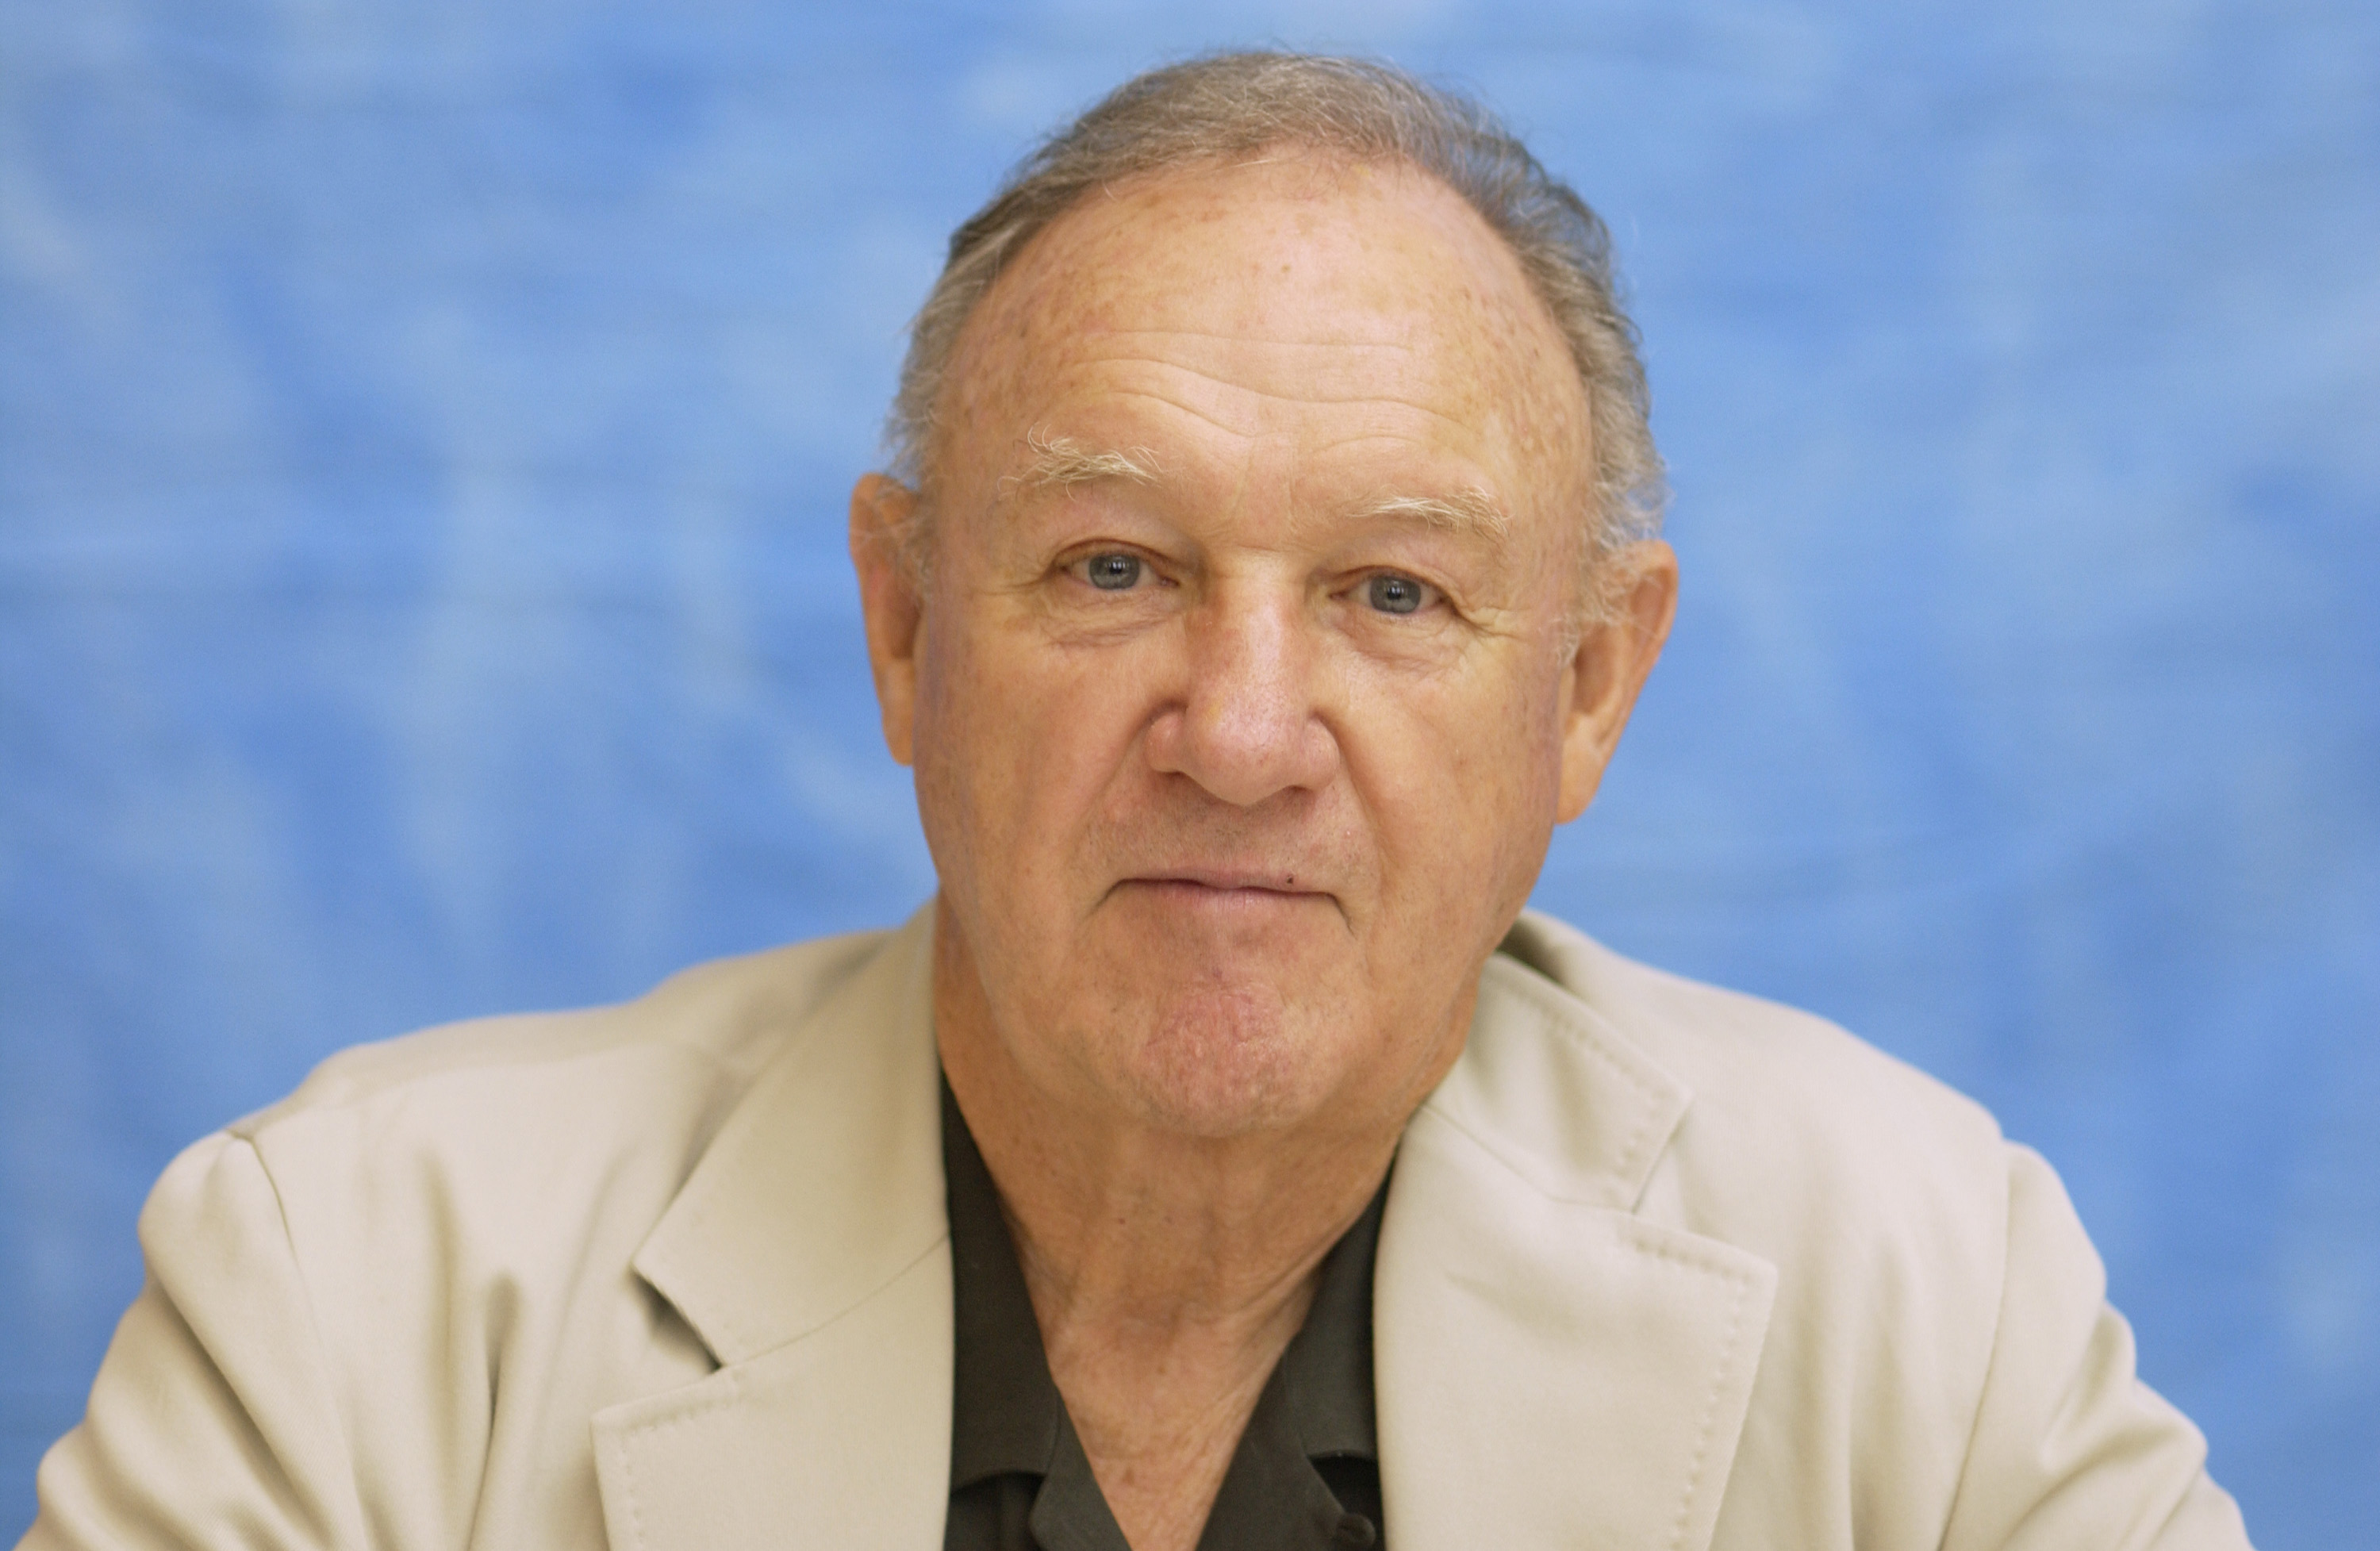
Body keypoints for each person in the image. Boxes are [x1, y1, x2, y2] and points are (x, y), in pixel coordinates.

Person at [21, 51, 2251, 1551]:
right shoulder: (348, 1295)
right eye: (1114, 568)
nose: (1244, 726)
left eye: (1393, 590)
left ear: (1587, 690)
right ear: (905, 629)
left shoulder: (1928, 1302)